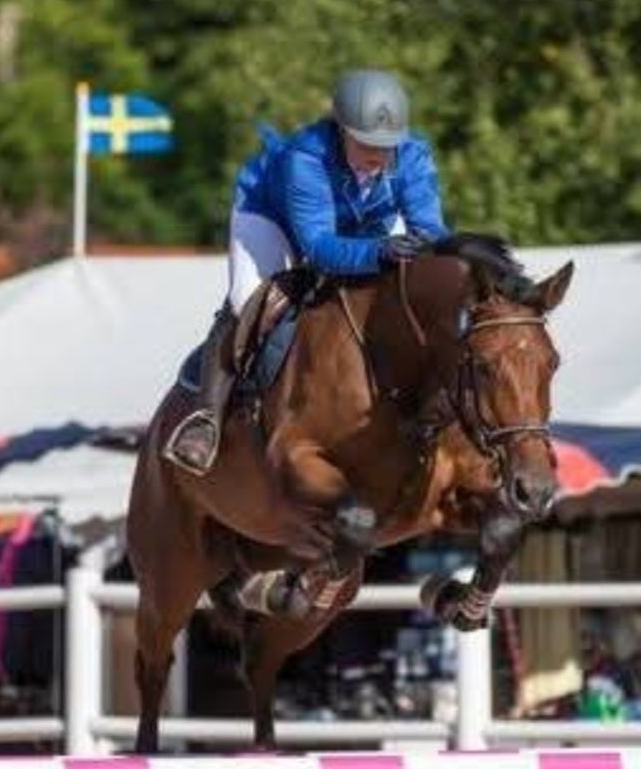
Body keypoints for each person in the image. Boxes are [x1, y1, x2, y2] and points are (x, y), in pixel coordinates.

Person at [166, 67, 450, 475]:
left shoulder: (412, 155)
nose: (379, 154)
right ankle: (206, 418)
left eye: (387, 144)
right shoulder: (306, 157)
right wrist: (382, 250)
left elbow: (430, 230)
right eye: (367, 142)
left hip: (363, 225)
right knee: (248, 297)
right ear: (341, 130)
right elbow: (317, 249)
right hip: (272, 218)